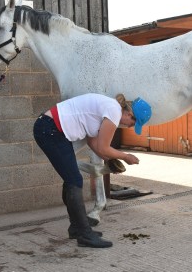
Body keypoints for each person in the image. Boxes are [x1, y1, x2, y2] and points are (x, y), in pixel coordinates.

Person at [33, 93, 152, 248]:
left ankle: (77, 228)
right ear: (129, 114)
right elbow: (103, 147)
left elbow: (94, 143)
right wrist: (125, 156)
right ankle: (84, 234)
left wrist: (111, 160)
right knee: (74, 180)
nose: (129, 127)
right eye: (131, 123)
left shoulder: (109, 108)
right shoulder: (114, 111)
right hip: (51, 131)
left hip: (52, 129)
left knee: (72, 179)